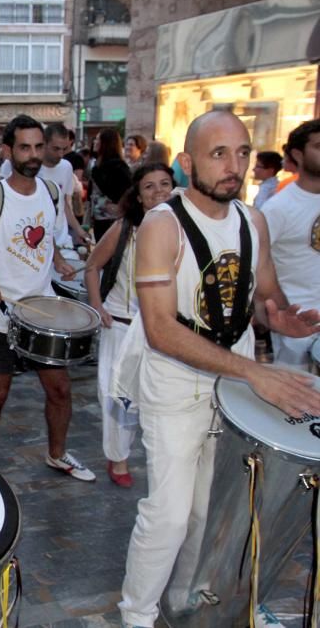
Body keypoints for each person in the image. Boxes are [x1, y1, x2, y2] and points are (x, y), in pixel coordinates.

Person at [113, 111, 320, 628]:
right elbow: (160, 328)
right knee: (168, 514)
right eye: (219, 154)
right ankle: (136, 614)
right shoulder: (162, 225)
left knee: (210, 509)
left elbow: (264, 295)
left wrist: (282, 319)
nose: (235, 166)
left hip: (234, 381)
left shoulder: (254, 221)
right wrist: (253, 372)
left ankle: (183, 602)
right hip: (176, 384)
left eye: (244, 153)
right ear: (187, 163)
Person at [0, 114, 94, 481]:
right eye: (25, 147)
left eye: (38, 147)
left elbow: (47, 239)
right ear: (8, 151)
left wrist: (59, 260)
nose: (33, 155)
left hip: (42, 310)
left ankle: (57, 455)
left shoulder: (52, 193)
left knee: (59, 389)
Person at [84, 164, 174, 488]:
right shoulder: (125, 228)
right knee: (115, 394)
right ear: (138, 195)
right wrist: (97, 306)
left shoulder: (185, 231)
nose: (158, 191)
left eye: (164, 183)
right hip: (121, 326)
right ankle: (117, 457)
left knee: (159, 396)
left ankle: (162, 457)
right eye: (149, 186)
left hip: (164, 330)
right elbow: (93, 265)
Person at [261, 119, 320, 369]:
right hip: (295, 326)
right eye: (319, 146)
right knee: (297, 401)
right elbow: (258, 261)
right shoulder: (278, 208)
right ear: (298, 154)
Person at [42, 123, 89, 246]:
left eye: (64, 149)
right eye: (56, 149)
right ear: (44, 143)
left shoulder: (66, 166)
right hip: (38, 239)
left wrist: (79, 231)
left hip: (62, 238)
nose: (60, 154)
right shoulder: (32, 168)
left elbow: (64, 204)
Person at [90, 129, 132, 241]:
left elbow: (130, 190)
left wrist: (120, 206)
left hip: (111, 220)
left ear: (106, 143)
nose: (95, 142)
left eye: (98, 139)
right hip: (98, 218)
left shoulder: (118, 167)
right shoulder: (97, 166)